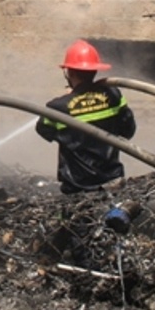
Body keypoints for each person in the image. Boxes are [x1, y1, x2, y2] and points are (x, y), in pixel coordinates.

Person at [35, 39, 136, 194]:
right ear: (95, 70)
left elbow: (43, 130)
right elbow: (128, 131)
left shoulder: (58, 107)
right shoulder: (114, 95)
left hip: (78, 187)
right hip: (112, 182)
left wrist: (70, 99)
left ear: (70, 72)